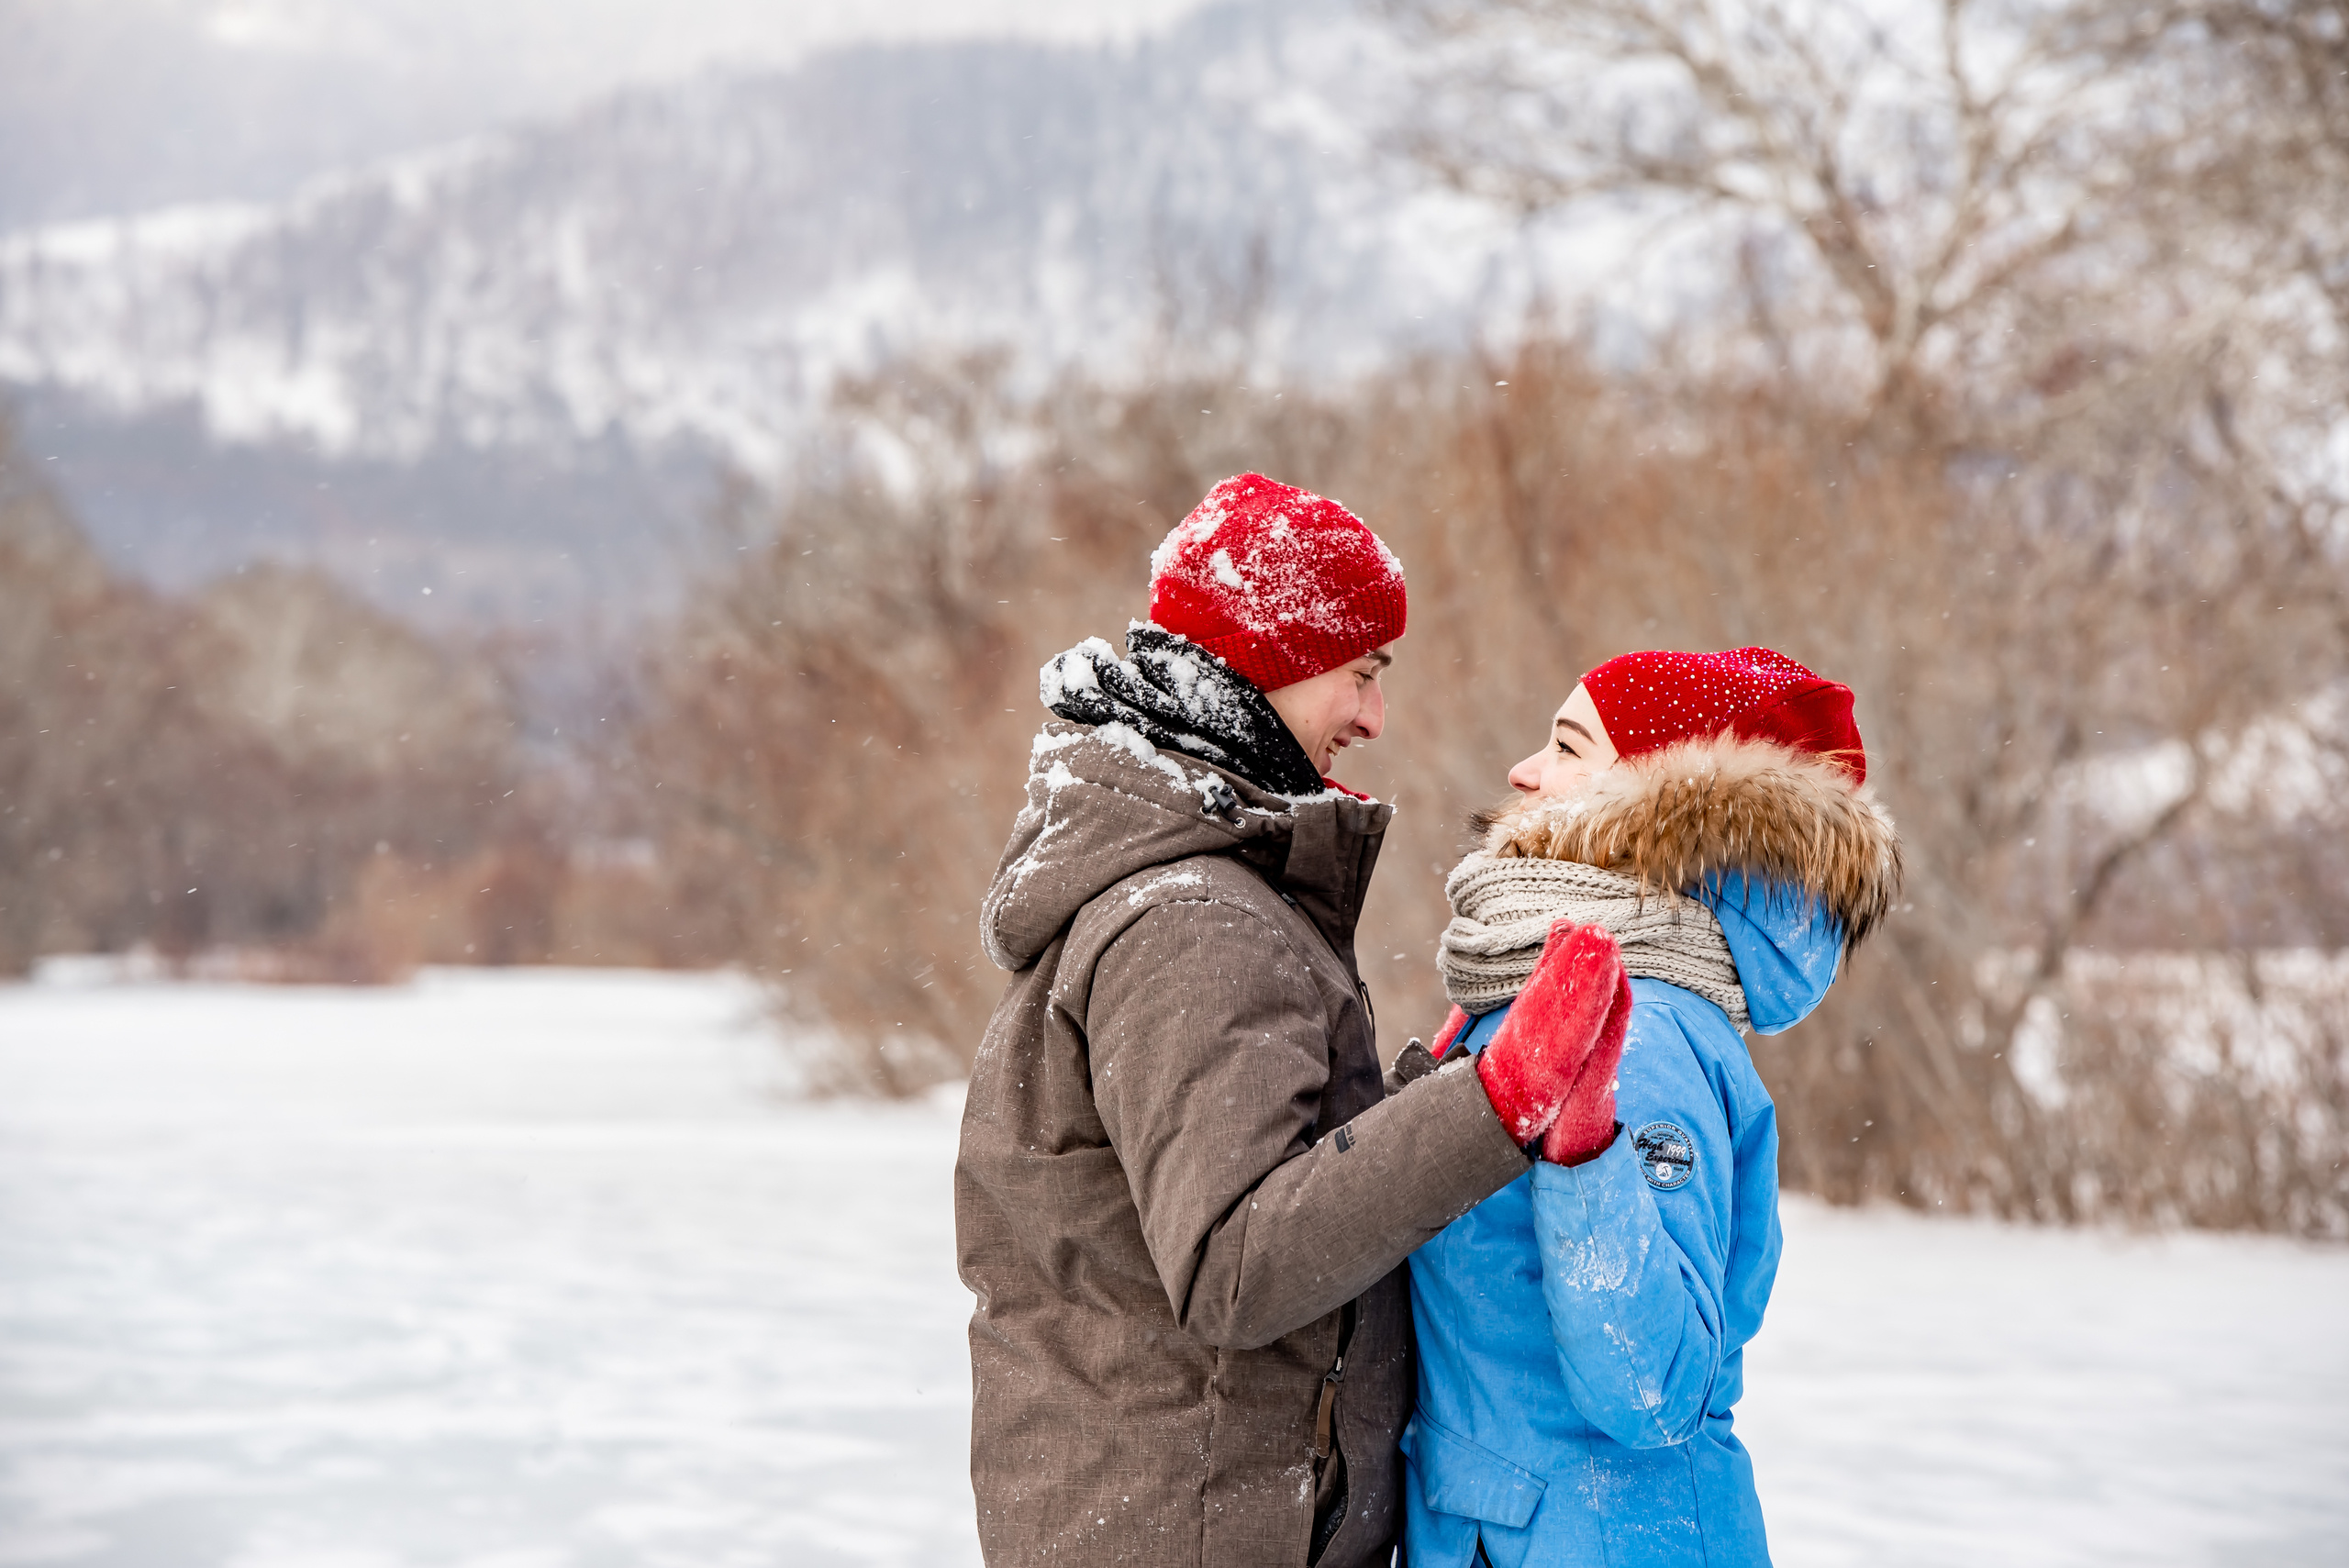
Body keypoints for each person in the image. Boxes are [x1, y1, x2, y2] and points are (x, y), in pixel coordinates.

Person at [958, 474, 1603, 1568]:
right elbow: (1236, 1262)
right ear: (1265, 658)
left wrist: (1398, 1103)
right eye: (1360, 673)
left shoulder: (1197, 887)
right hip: (1202, 1531)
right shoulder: (1192, 917)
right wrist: (1488, 1107)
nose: (1372, 717)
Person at [1398, 647, 1902, 1568]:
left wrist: (1586, 1153)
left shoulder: (1643, 1023)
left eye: (1566, 744)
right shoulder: (1546, 985)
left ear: (1649, 805)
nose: (1523, 769)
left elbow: (1650, 1384)